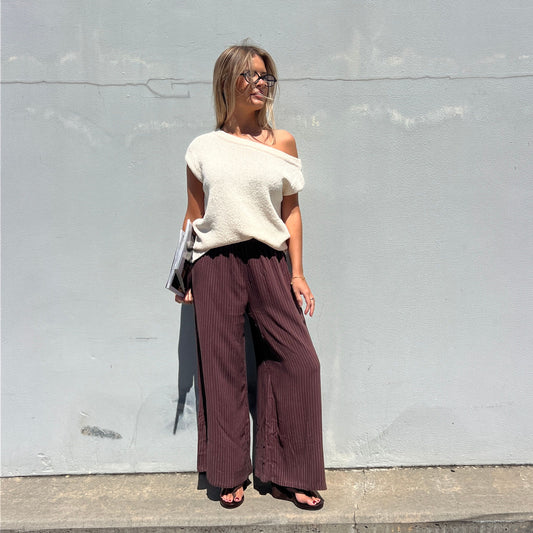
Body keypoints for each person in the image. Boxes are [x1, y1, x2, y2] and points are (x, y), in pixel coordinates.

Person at [175, 43, 326, 510]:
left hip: (268, 260)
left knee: (300, 363)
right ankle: (228, 471)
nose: (261, 84)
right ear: (228, 81)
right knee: (222, 370)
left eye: (266, 76)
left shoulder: (283, 142)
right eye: (250, 75)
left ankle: (287, 473)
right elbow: (193, 215)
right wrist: (183, 275)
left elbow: (291, 211)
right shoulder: (202, 148)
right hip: (214, 263)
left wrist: (297, 273)